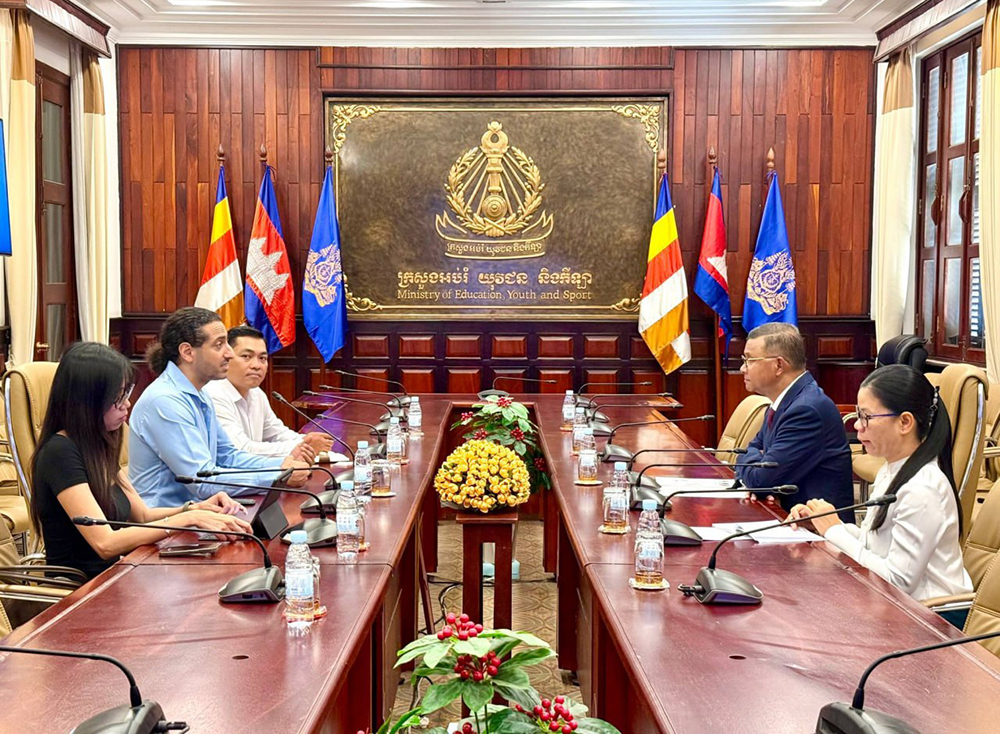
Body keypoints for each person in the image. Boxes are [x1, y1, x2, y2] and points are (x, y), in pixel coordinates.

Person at [29, 342, 254, 579]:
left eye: (126, 394)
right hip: (82, 589)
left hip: (118, 575)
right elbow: (105, 543)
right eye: (118, 398)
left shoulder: (97, 444)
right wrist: (187, 519)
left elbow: (143, 516)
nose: (127, 404)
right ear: (88, 401)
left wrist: (194, 508)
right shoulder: (60, 452)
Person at [788, 364, 972, 601]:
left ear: (905, 422)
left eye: (866, 417)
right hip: (894, 605)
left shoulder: (923, 488)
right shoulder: (893, 468)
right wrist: (823, 523)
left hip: (931, 613)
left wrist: (834, 531)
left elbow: (897, 582)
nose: (857, 425)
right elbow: (877, 546)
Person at [129, 307, 310, 508]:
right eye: (219, 345)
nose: (229, 353)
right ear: (187, 352)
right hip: (167, 520)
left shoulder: (200, 393)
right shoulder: (166, 401)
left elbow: (228, 456)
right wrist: (277, 475)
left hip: (200, 512)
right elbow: (202, 481)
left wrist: (282, 465)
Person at [735, 323, 854, 520]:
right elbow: (749, 452)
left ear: (778, 365)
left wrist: (756, 477)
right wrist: (755, 469)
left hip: (817, 531)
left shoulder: (806, 410)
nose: (742, 369)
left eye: (749, 360)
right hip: (787, 518)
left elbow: (761, 479)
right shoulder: (784, 402)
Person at [203, 325, 335, 461]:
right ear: (226, 358)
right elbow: (240, 449)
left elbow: (276, 433)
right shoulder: (214, 394)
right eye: (246, 356)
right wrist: (304, 446)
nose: (256, 365)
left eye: (262, 358)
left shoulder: (256, 393)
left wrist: (305, 440)